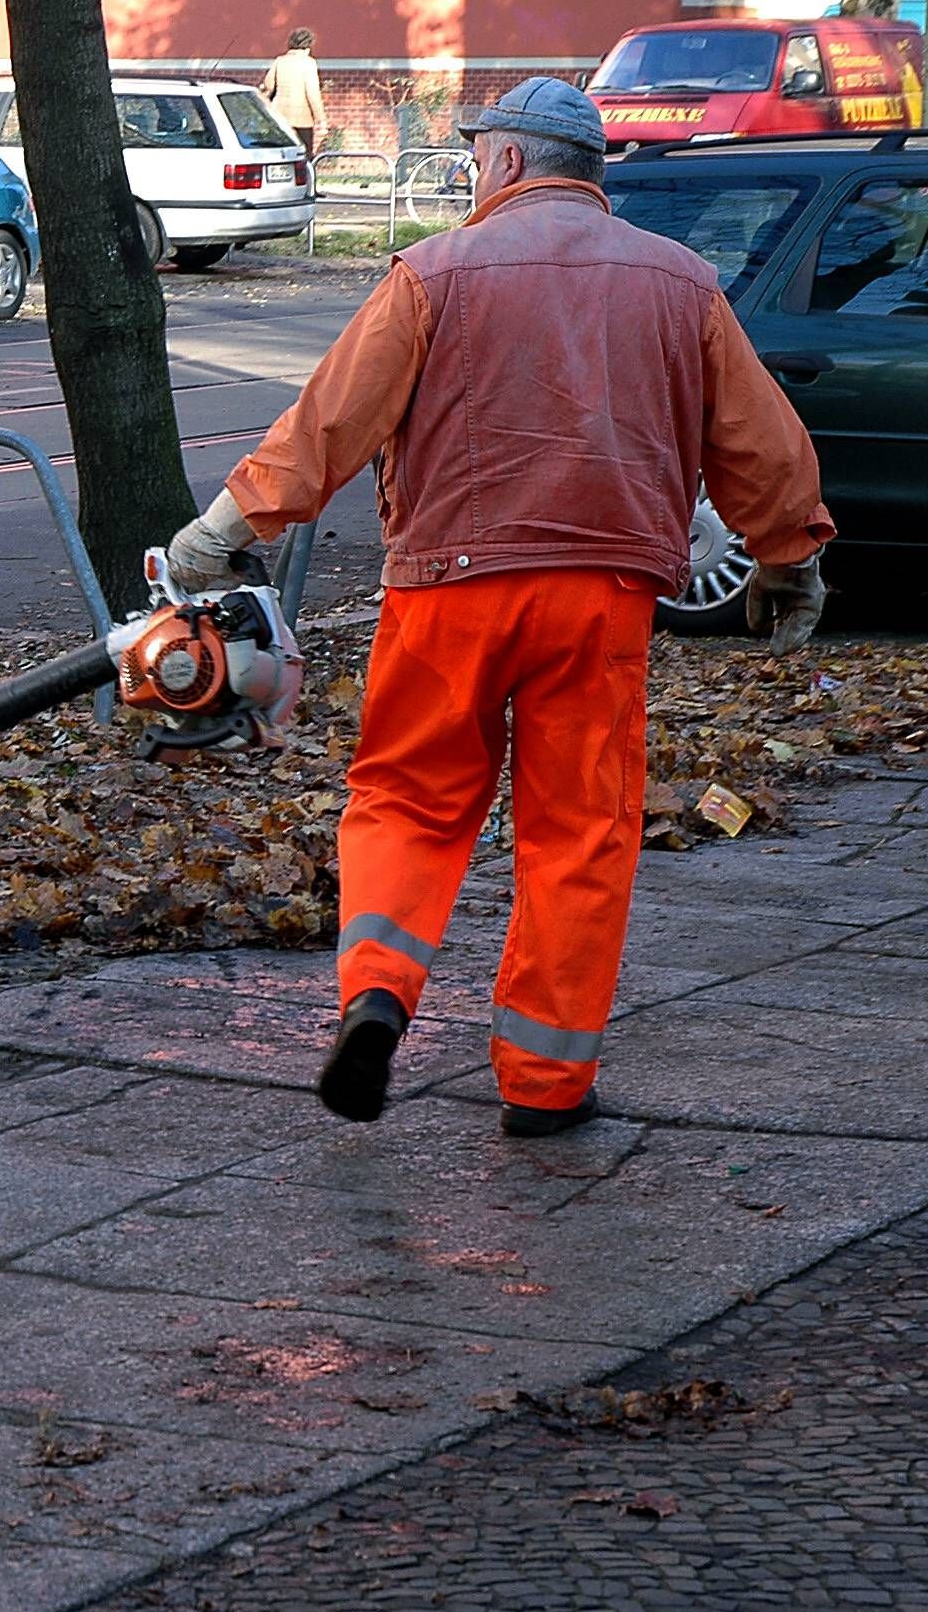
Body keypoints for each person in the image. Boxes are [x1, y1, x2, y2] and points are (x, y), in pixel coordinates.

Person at [163, 77, 831, 1139]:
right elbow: (755, 437)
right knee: (578, 829)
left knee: (404, 795)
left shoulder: (430, 273)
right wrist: (787, 553)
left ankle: (377, 989)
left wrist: (226, 526)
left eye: (477, 155)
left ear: (510, 162)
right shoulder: (679, 284)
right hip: (601, 597)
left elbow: (331, 417)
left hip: (446, 589)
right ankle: (543, 1081)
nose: (471, 171)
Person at [262, 27, 327, 141]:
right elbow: (313, 94)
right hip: (303, 120)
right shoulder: (309, 63)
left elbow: (268, 86)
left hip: (280, 116)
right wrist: (321, 120)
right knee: (303, 154)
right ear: (307, 47)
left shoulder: (279, 61)